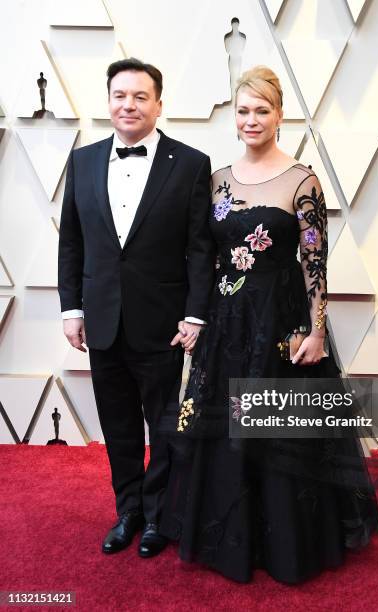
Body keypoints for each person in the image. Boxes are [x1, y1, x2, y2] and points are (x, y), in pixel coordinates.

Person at [158, 66, 378, 584]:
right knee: (222, 428)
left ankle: (287, 541)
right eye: (242, 110)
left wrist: (315, 332)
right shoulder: (216, 179)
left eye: (261, 110)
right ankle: (228, 534)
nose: (251, 120)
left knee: (277, 429)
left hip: (280, 324)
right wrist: (195, 317)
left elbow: (316, 265)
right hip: (225, 326)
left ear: (280, 115)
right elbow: (201, 255)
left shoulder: (301, 179)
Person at [58, 58, 215, 558]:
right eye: (120, 95)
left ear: (158, 104)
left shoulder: (190, 163)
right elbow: (72, 244)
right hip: (101, 322)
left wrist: (195, 315)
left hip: (163, 324)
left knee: (165, 427)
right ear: (109, 101)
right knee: (118, 426)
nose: (129, 105)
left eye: (140, 97)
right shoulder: (81, 161)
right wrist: (71, 309)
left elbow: (199, 247)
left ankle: (159, 516)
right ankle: (128, 511)